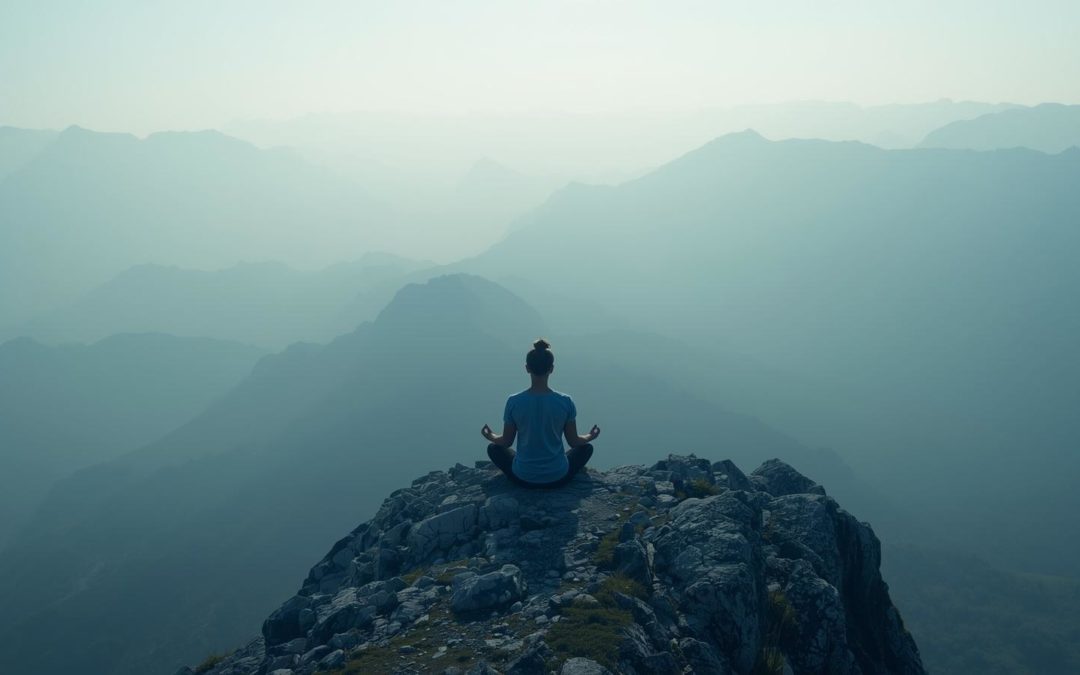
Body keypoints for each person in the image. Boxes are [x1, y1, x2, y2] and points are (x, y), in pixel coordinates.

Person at [482, 338, 599, 488]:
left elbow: (506, 441)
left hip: (523, 477)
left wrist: (489, 435)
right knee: (586, 448)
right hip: (558, 476)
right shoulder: (565, 401)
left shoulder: (514, 401)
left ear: (527, 368)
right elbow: (574, 442)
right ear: (551, 369)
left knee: (493, 448)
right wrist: (591, 436)